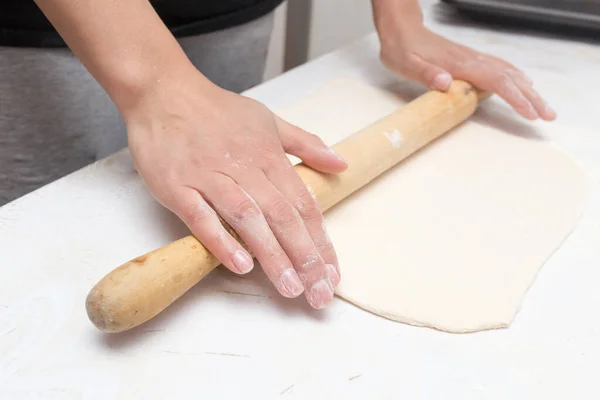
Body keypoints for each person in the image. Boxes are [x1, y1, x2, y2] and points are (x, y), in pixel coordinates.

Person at [0, 0, 556, 310]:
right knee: (38, 262)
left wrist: (399, 17)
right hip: (54, 33)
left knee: (229, 182)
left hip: (232, 14)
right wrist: (156, 86)